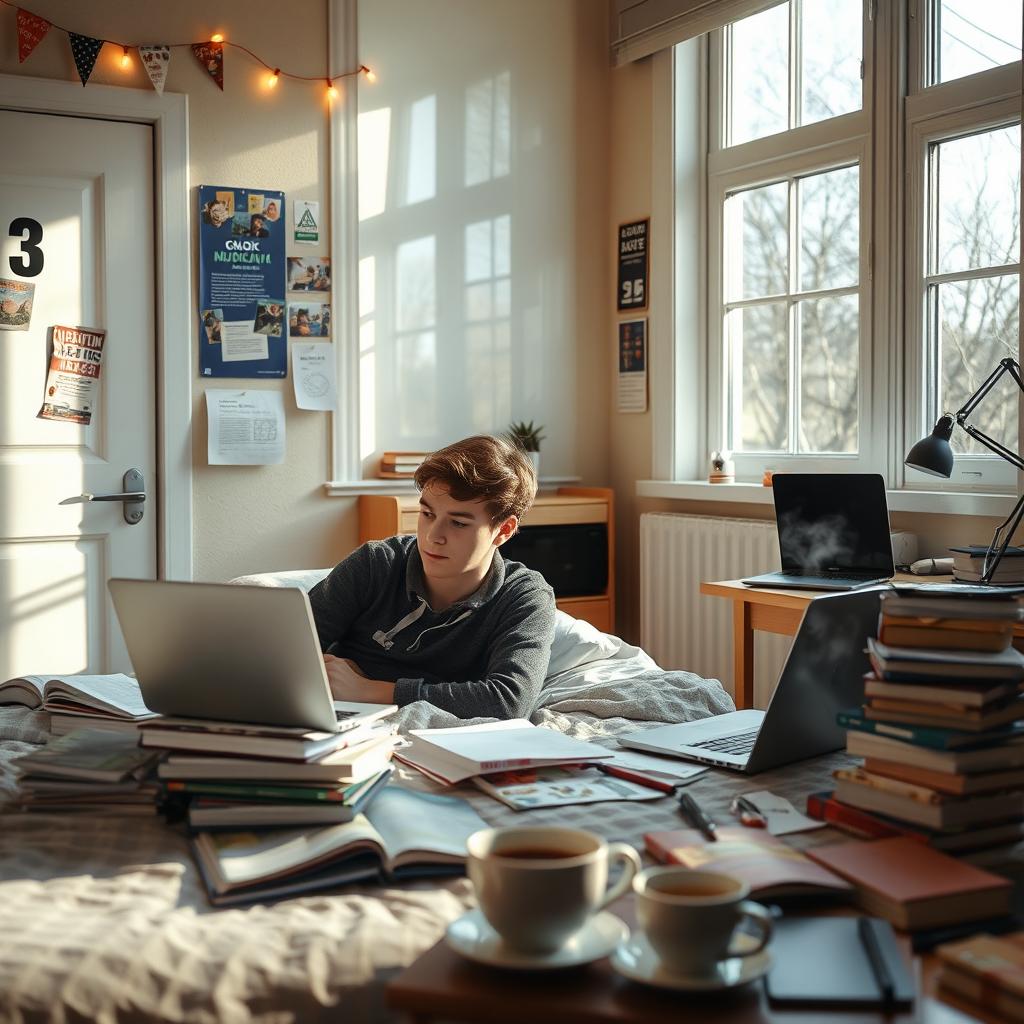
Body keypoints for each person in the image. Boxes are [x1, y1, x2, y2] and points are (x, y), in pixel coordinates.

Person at [309, 434, 556, 720]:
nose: (432, 536)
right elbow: (290, 648)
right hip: (339, 719)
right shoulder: (375, 563)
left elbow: (508, 701)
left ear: (503, 530)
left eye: (458, 523)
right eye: (427, 513)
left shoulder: (525, 597)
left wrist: (371, 691)